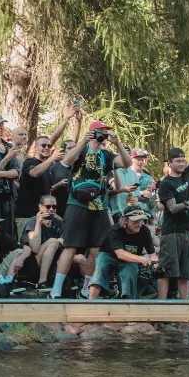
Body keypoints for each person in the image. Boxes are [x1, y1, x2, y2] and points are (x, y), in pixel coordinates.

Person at [49, 120, 132, 299]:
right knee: (70, 247)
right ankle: (55, 290)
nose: (103, 135)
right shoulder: (82, 149)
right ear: (92, 132)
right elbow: (66, 161)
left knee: (96, 249)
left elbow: (126, 163)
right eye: (101, 132)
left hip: (100, 206)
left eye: (105, 133)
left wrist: (118, 144)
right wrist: (83, 142)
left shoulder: (107, 155)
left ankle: (86, 289)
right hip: (77, 204)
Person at [157, 117, 189, 300]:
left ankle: (184, 309)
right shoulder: (165, 184)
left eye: (183, 160)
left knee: (186, 273)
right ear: (169, 163)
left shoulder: (186, 175)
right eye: (178, 161)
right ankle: (161, 306)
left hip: (187, 232)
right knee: (165, 271)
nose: (181, 163)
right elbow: (171, 208)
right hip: (171, 233)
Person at [88, 207, 158, 300]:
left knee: (131, 270)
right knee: (101, 268)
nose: (139, 224)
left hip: (130, 259)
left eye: (141, 220)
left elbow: (152, 255)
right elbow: (120, 254)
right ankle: (91, 301)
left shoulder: (144, 231)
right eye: (135, 221)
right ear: (125, 221)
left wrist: (156, 267)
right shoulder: (115, 231)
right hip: (108, 255)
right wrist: (141, 259)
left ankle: (129, 304)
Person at [14, 136, 64, 236]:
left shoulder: (48, 168)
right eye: (43, 145)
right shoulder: (29, 162)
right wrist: (52, 158)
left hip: (43, 216)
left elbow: (47, 191)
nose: (46, 147)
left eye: (49, 146)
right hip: (27, 216)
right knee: (27, 247)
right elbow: (34, 173)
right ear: (36, 147)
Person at [20, 195, 64, 291]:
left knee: (79, 258)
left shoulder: (59, 222)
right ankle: (42, 281)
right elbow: (35, 248)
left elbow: (65, 242)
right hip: (32, 262)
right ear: (40, 207)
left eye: (54, 207)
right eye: (48, 206)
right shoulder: (32, 221)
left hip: (52, 261)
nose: (51, 209)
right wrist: (38, 224)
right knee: (53, 241)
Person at [49, 139, 76, 218]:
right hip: (59, 208)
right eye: (69, 148)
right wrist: (59, 184)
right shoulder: (54, 167)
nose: (73, 150)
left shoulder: (82, 165)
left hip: (77, 207)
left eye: (75, 147)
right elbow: (48, 190)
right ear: (63, 151)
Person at [129, 148, 156, 216]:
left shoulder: (148, 177)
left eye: (142, 160)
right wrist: (141, 193)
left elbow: (148, 194)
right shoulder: (125, 174)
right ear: (131, 159)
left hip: (145, 211)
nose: (141, 162)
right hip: (129, 211)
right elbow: (124, 192)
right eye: (138, 159)